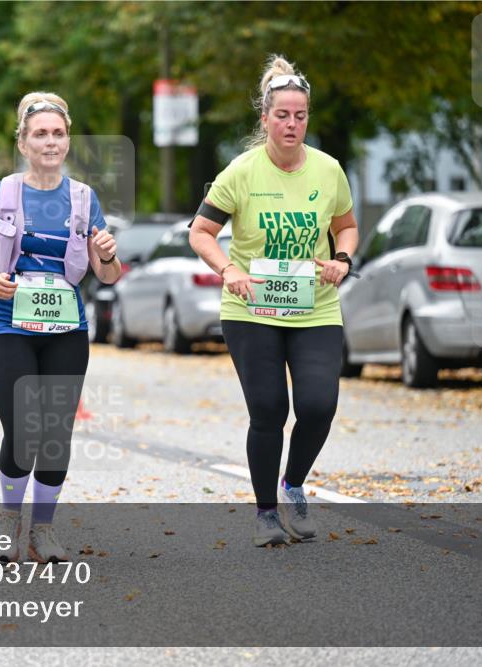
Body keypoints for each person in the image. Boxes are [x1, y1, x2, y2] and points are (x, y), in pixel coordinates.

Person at [189, 55, 359, 547]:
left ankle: (294, 484)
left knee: (318, 404)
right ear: (264, 118)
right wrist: (229, 269)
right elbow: (201, 232)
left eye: (300, 115)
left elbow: (344, 226)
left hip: (315, 306)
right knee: (268, 408)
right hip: (251, 308)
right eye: (282, 115)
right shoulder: (241, 172)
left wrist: (342, 260)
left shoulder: (328, 171)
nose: (291, 124)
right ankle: (267, 513)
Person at [0, 92, 121, 563]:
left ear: (67, 141)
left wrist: (109, 253)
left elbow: (107, 274)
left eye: (57, 134)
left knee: (55, 432)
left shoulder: (83, 198)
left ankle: (44, 530)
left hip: (67, 328)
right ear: (24, 142)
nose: (50, 142)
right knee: (23, 427)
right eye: (40, 134)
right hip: (9, 324)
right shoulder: (1, 194)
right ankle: (9, 517)